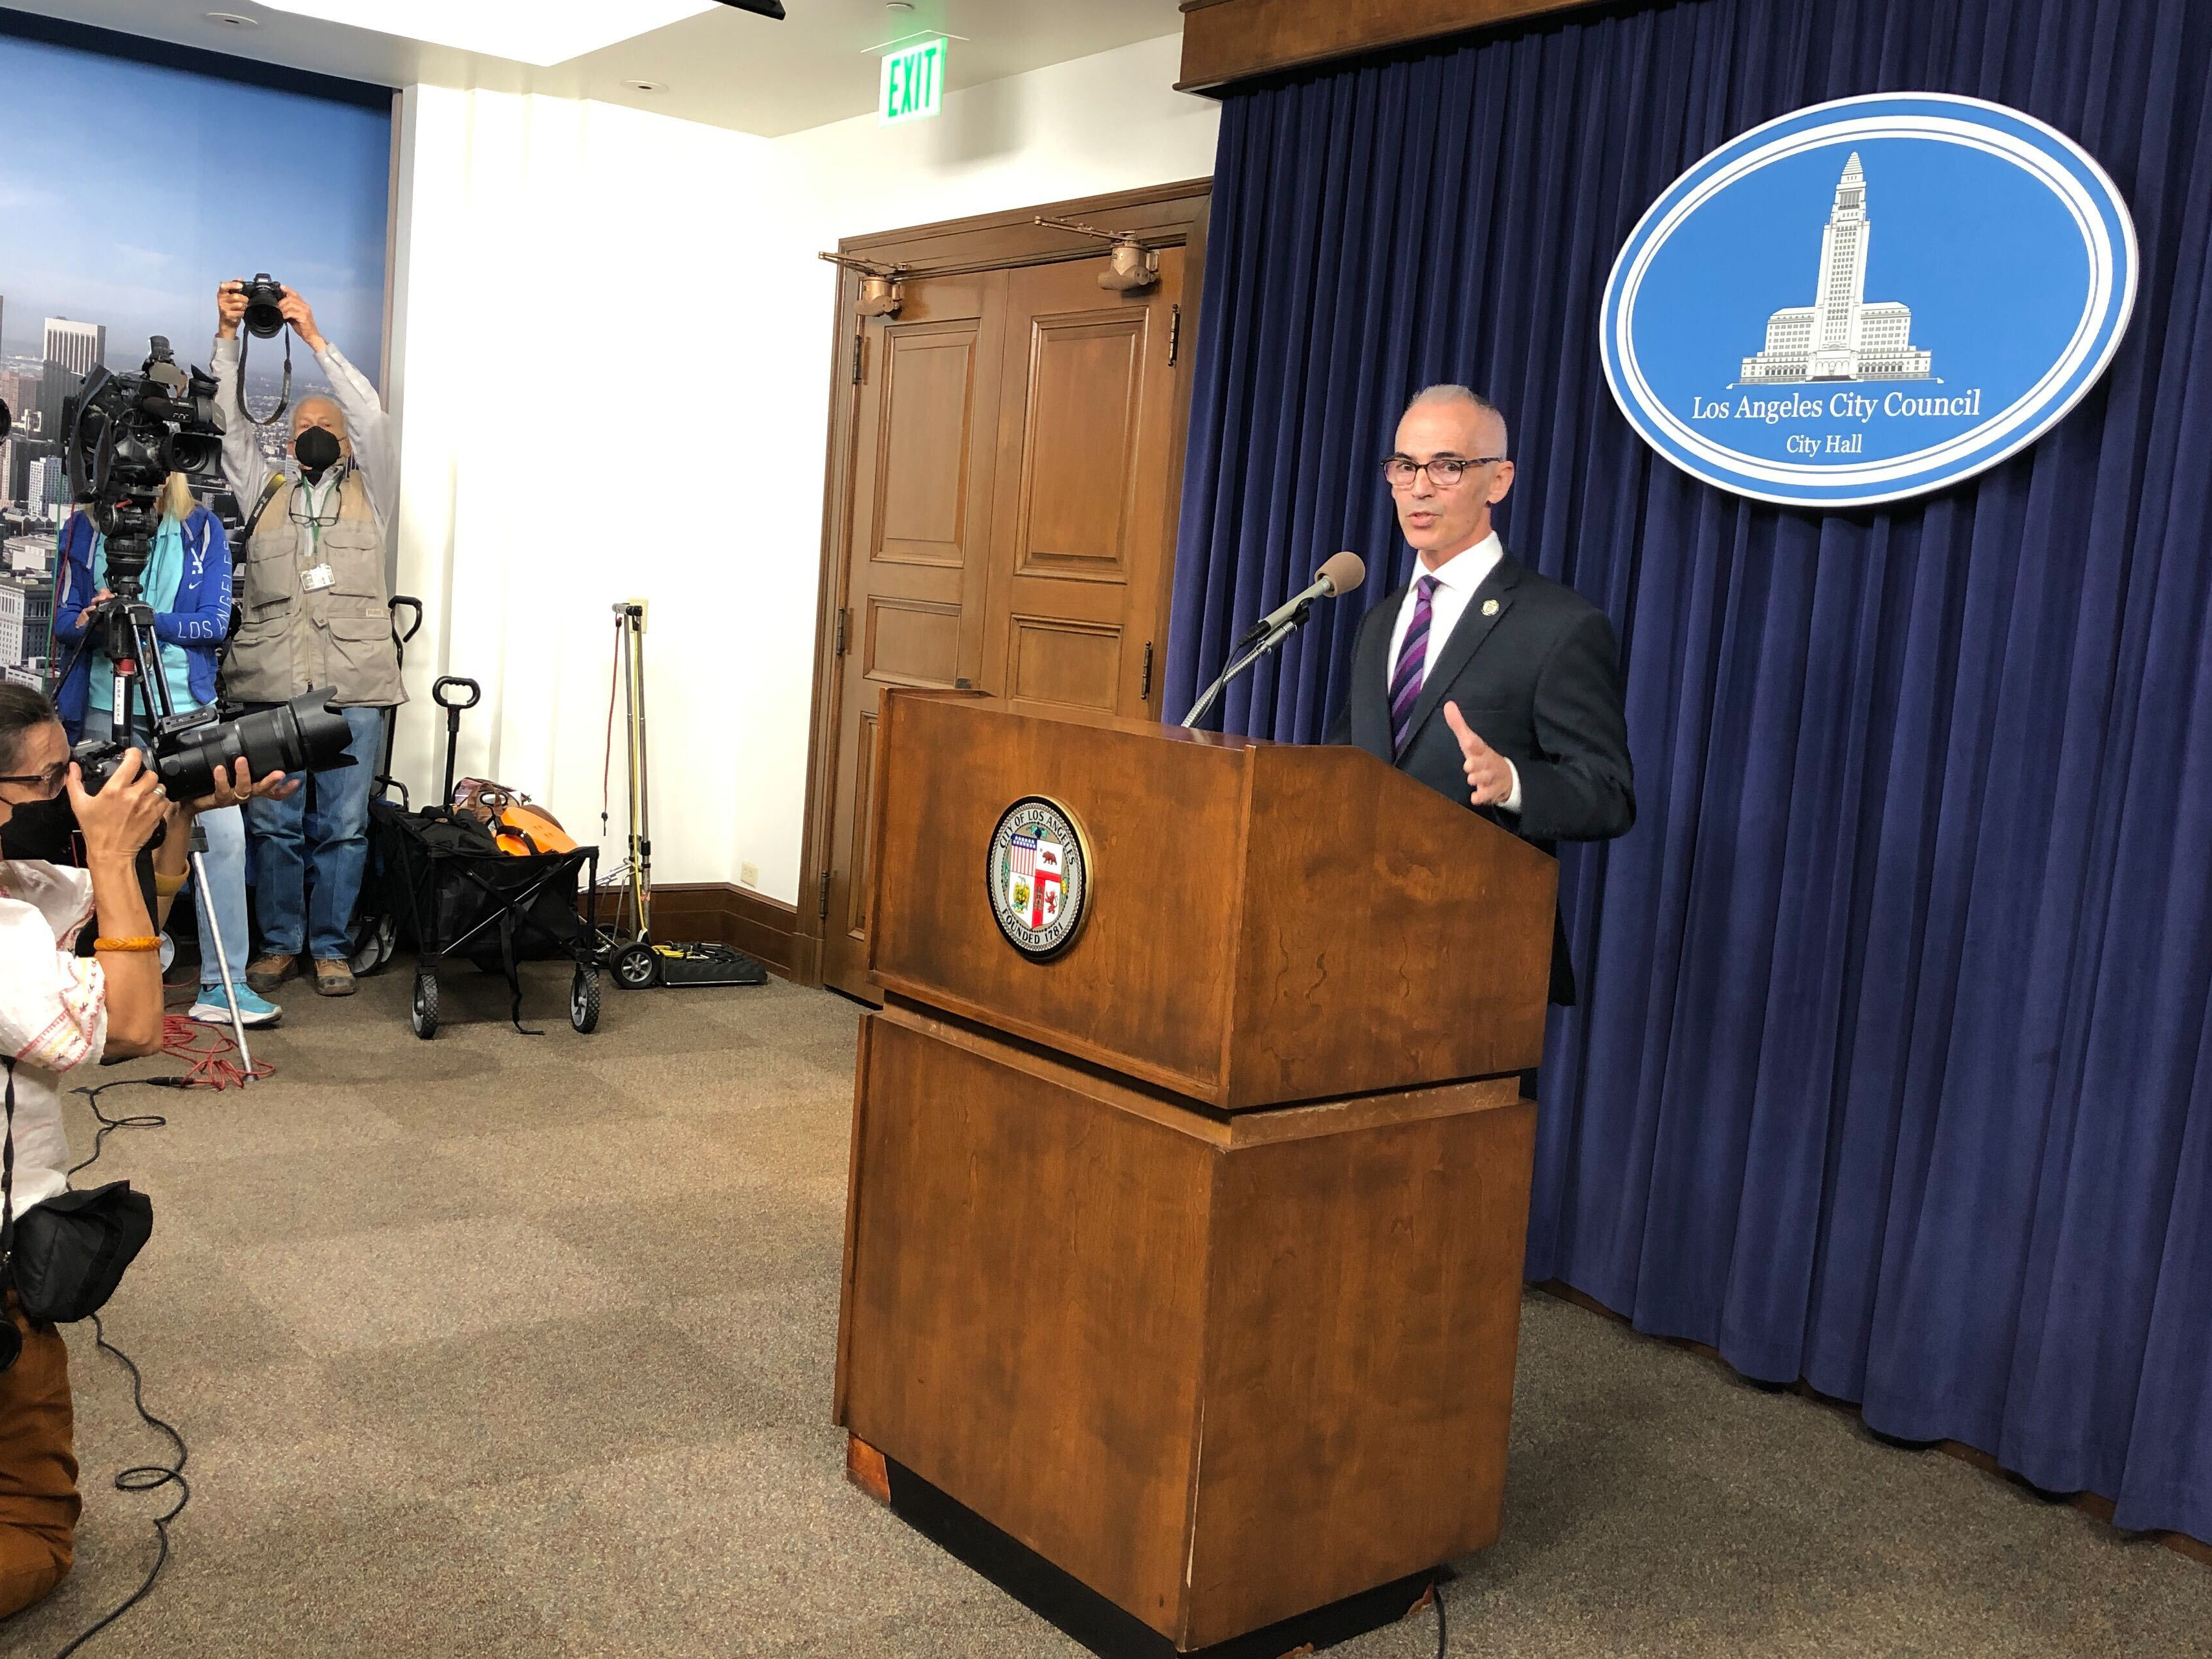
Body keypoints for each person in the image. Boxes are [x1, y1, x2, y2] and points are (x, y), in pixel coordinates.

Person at [0, 684, 286, 1616]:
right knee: (36, 1537)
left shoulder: (19, 894)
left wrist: (177, 812)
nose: (66, 792)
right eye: (46, 779)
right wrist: (116, 850)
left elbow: (116, 918)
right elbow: (129, 1024)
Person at [1328, 384, 1634, 1003]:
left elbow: (1608, 795)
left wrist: (1513, 783)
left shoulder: (1559, 626)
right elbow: (1349, 766)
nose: (1419, 487)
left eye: (1446, 466)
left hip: (1478, 963)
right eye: (1404, 467)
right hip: (1353, 945)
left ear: (1498, 480)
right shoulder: (1381, 622)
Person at [211, 281, 403, 998]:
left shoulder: (374, 491)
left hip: (354, 687)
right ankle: (281, 943)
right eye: (301, 425)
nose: (314, 432)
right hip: (273, 688)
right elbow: (229, 425)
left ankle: (331, 947)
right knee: (276, 824)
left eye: (326, 424)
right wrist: (227, 336)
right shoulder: (264, 490)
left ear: (346, 443)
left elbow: (374, 416)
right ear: (286, 442)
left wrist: (315, 337)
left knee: (344, 827)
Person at [50, 472, 279, 1028]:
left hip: (185, 708)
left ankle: (224, 984)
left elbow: (214, 622)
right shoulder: (82, 528)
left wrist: (143, 620)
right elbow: (61, 619)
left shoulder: (201, 529)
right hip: (103, 705)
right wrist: (91, 618)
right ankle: (83, 980)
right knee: (101, 840)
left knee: (221, 832)